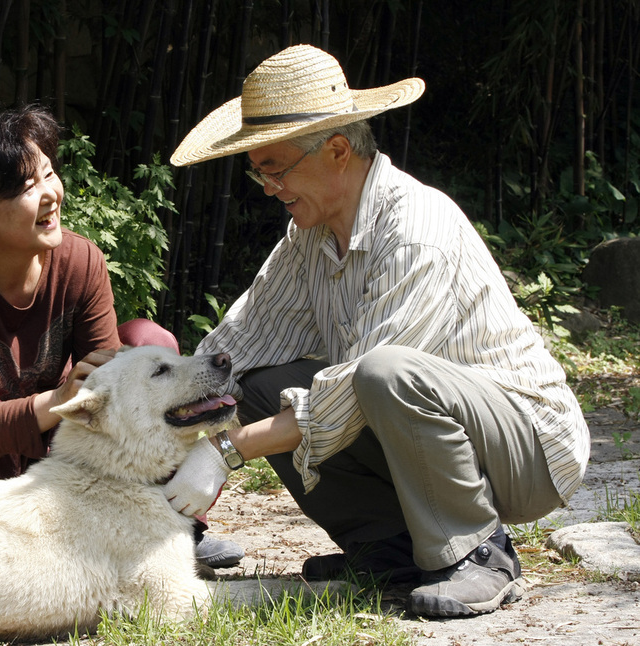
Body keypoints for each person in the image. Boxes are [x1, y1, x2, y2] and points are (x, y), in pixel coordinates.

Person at [163, 45, 589, 617]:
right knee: (261, 385)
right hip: (418, 424)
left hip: (529, 447)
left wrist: (225, 451)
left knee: (383, 371)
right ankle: (391, 549)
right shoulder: (308, 237)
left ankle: (477, 553)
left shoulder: (414, 228)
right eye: (256, 168)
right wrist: (162, 413)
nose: (266, 186)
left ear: (337, 150)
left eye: (275, 167)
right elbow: (237, 345)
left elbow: (352, 390)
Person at [0, 105, 243, 569]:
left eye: (48, 173)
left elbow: (118, 387)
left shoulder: (81, 260)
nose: (50, 194)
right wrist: (58, 400)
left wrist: (84, 396)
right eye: (24, 187)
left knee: (149, 342)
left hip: (52, 436)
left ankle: (162, 526)